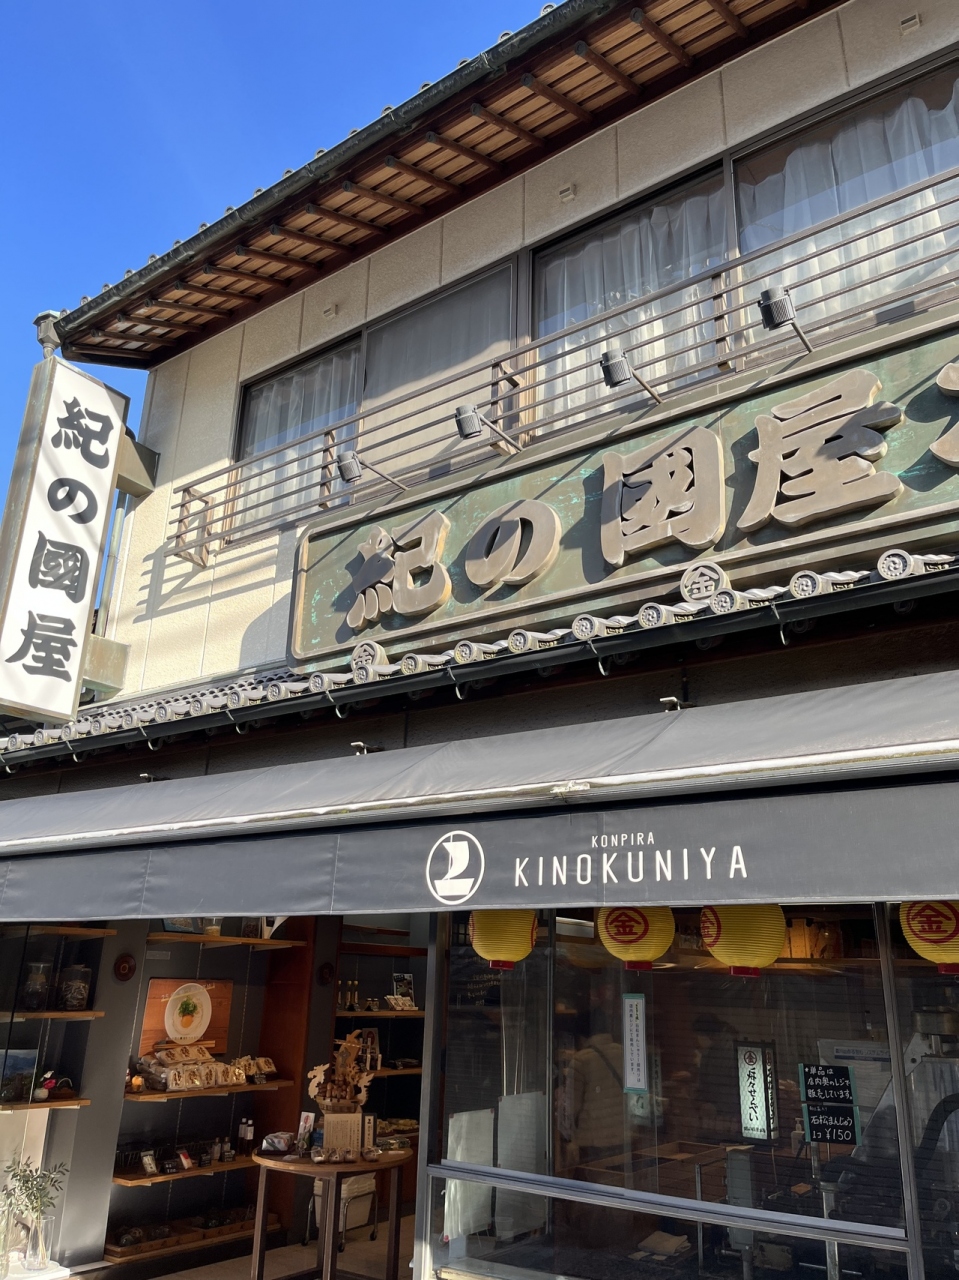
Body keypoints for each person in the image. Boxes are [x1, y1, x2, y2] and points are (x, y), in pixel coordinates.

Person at [691, 1011, 741, 1139]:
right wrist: (700, 1102)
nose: (698, 1040)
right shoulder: (709, 1051)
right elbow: (703, 1082)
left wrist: (715, 1107)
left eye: (699, 1036)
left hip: (728, 1117)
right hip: (713, 1115)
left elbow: (736, 1088)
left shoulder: (731, 1051)